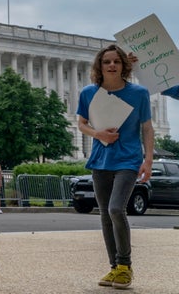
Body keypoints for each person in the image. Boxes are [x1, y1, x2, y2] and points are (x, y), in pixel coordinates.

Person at [77, 44, 154, 289]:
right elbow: (81, 124)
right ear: (100, 66)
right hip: (100, 159)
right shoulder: (89, 92)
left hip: (129, 160)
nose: (111, 65)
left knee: (115, 209)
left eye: (116, 62)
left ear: (124, 65)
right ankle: (114, 268)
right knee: (104, 215)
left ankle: (124, 265)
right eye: (106, 62)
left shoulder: (139, 93)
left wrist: (148, 160)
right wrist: (97, 133)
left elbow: (147, 128)